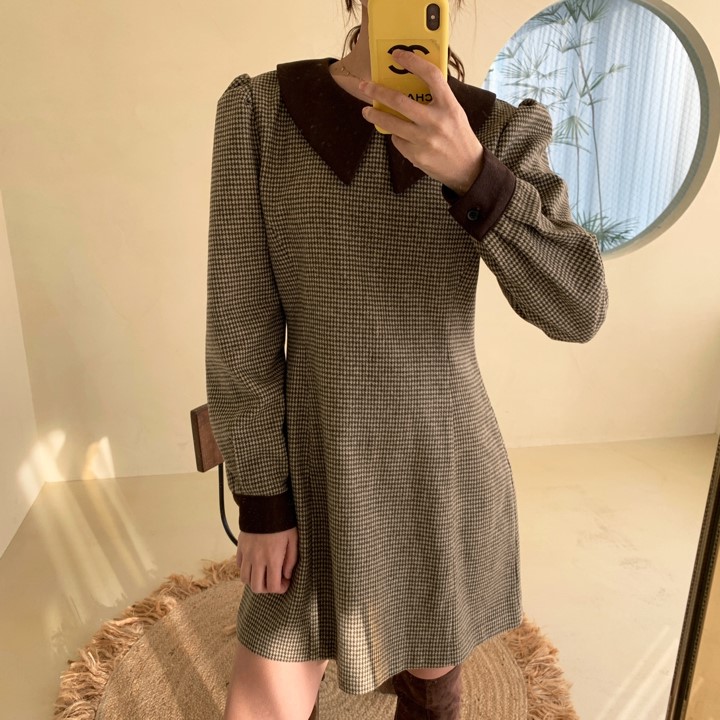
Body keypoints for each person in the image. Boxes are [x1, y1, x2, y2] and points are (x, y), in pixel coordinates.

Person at [205, 0, 609, 717]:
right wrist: (263, 500)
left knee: (431, 693)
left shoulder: (497, 130)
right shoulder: (262, 113)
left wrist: (475, 175)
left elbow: (578, 309)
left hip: (439, 471)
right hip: (315, 467)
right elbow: (240, 326)